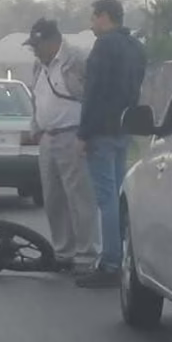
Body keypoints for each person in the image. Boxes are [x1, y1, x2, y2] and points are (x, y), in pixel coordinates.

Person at [76, 0, 146, 288]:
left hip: (101, 130)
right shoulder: (136, 48)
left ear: (105, 17)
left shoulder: (104, 46)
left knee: (105, 199)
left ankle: (110, 263)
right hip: (123, 128)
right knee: (118, 197)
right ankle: (123, 258)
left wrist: (83, 133)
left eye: (93, 18)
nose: (91, 24)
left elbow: (92, 92)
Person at [23, 18, 99, 274]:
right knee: (53, 198)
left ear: (53, 42)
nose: (35, 50)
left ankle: (86, 253)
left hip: (73, 135)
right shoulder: (39, 66)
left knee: (79, 197)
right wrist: (36, 129)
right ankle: (63, 251)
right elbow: (37, 98)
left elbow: (93, 96)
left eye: (38, 44)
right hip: (48, 137)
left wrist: (88, 134)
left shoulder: (76, 60)